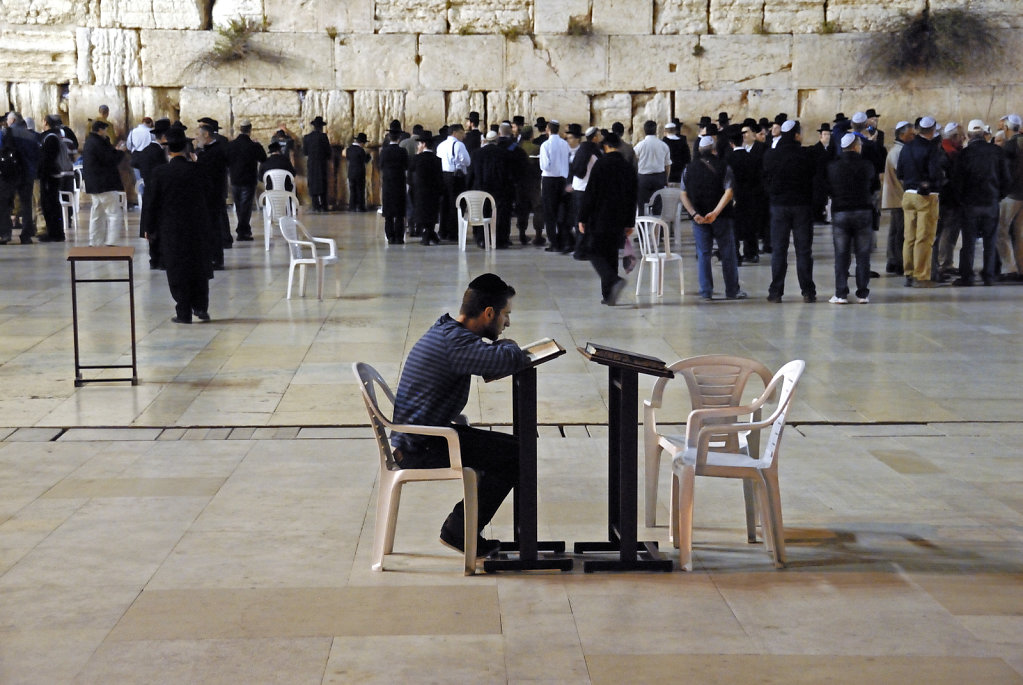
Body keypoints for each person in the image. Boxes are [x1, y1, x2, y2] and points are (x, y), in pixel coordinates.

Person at [390, 273, 528, 558]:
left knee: (512, 449)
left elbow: (491, 363)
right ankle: (459, 530)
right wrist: (510, 344)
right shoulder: (457, 343)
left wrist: (502, 347)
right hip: (421, 445)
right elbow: (505, 360)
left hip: (421, 436)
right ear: (489, 313)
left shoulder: (449, 332)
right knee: (520, 454)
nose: (507, 323)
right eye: (505, 315)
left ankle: (463, 528)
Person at [141, 127, 214, 324]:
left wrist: (148, 227)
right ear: (186, 148)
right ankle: (201, 307)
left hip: (171, 228)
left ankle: (183, 312)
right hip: (198, 226)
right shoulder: (199, 170)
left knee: (177, 267)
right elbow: (211, 196)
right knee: (198, 265)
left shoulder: (160, 172)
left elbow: (151, 202)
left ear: (168, 150)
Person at [681, 136, 745, 301]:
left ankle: (706, 291)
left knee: (703, 254)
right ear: (714, 150)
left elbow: (683, 194)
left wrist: (694, 214)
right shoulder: (724, 167)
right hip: (722, 216)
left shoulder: (688, 168)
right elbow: (729, 192)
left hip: (699, 218)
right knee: (728, 252)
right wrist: (715, 213)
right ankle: (732, 290)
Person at [577, 132, 637, 305]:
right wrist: (629, 222)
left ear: (606, 146)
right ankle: (609, 296)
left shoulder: (601, 165)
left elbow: (591, 194)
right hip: (619, 218)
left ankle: (613, 280)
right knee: (610, 254)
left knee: (593, 251)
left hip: (600, 217)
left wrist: (582, 217)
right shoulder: (627, 166)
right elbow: (633, 196)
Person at [950, 120, 1011, 286]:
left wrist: (962, 200)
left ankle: (967, 276)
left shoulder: (964, 154)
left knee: (969, 242)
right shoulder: (997, 152)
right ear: (985, 134)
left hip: (970, 204)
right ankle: (989, 276)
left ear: (969, 136)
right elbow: (1006, 179)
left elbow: (956, 182)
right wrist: (997, 196)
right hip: (991, 202)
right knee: (990, 242)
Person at [821, 133, 880, 304]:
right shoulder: (867, 165)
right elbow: (875, 186)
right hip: (863, 212)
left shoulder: (832, 167)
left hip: (841, 213)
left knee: (841, 255)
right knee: (863, 255)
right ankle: (862, 294)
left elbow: (827, 188)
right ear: (855, 146)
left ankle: (840, 293)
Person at [763, 119, 818, 302]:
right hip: (802, 206)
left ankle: (775, 292)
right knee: (803, 250)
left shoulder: (770, 155)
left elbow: (765, 180)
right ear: (796, 135)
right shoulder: (806, 155)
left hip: (778, 207)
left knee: (779, 250)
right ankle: (808, 291)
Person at [896, 116, 946, 287]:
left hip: (908, 195)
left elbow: (900, 172)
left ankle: (909, 273)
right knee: (924, 238)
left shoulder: (907, 147)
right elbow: (934, 173)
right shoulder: (931, 149)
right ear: (932, 131)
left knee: (909, 237)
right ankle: (921, 276)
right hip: (926, 196)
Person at [82, 120, 126, 246]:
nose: (106, 132)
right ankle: (112, 241)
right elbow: (110, 160)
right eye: (105, 129)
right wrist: (121, 151)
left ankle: (94, 241)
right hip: (105, 183)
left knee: (97, 213)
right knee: (114, 213)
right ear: (100, 130)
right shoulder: (99, 143)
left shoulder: (90, 142)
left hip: (94, 184)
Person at [882, 121, 915, 275]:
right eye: (911, 135)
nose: (914, 137)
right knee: (900, 231)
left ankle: (893, 260)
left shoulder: (900, 150)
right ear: (902, 136)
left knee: (895, 230)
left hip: (897, 197)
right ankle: (898, 261)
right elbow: (901, 175)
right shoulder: (899, 152)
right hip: (900, 197)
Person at [225, 119, 266, 241]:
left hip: (235, 179)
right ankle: (243, 231)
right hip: (248, 180)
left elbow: (226, 161)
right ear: (250, 129)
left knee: (239, 205)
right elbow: (263, 158)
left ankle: (243, 230)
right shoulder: (253, 146)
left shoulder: (231, 145)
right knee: (246, 206)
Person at [37, 114, 75, 242]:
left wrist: (43, 173)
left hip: (50, 176)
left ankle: (55, 233)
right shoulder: (57, 135)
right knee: (52, 204)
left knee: (50, 204)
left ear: (46, 122)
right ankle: (54, 231)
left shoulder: (50, 138)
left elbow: (48, 159)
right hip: (53, 174)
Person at [5, 112, 40, 244]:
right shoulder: (31, 135)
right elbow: (37, 155)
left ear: (12, 120)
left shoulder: (7, 132)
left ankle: (6, 233)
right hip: (28, 173)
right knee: (27, 205)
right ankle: (26, 234)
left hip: (11, 173)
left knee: (7, 203)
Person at [996, 114, 1023, 281]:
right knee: (1020, 233)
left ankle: (1009, 269)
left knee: (1001, 231)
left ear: (1006, 128)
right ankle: (1021, 267)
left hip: (1011, 195)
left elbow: (1004, 173)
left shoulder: (1010, 146)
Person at [539, 120, 571, 252]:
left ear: (548, 129)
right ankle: (563, 240)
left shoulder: (545, 145)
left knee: (549, 212)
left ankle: (554, 242)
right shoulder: (565, 144)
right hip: (563, 179)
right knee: (561, 211)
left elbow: (544, 165)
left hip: (549, 180)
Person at [409, 131, 443, 245]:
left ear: (423, 144)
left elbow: (411, 170)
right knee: (432, 212)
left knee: (422, 212)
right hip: (433, 191)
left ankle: (426, 234)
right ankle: (431, 233)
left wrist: (418, 153)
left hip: (420, 190)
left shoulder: (417, 158)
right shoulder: (437, 160)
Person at [436, 124, 470, 239]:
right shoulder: (459, 145)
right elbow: (467, 161)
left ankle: (442, 231)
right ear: (455, 133)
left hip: (443, 176)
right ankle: (453, 232)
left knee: (444, 204)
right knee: (456, 205)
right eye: (462, 132)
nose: (464, 135)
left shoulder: (441, 145)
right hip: (456, 177)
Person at [378, 126, 409, 244]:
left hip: (387, 183)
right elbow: (407, 166)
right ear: (399, 137)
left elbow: (380, 165)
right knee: (400, 212)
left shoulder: (384, 151)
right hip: (400, 183)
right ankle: (399, 237)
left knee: (389, 212)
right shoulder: (402, 151)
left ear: (389, 137)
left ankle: (390, 236)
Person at [633, 120, 671, 215]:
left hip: (643, 178)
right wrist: (666, 179)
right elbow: (667, 165)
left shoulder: (640, 145)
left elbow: (634, 161)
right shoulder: (663, 145)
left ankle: (643, 228)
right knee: (658, 205)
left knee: (641, 205)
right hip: (659, 177)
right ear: (656, 130)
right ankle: (657, 229)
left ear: (644, 130)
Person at [303, 116, 331, 211]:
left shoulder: (306, 138)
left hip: (311, 163)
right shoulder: (324, 137)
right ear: (321, 127)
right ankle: (324, 205)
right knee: (322, 183)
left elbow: (305, 152)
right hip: (322, 163)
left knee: (313, 183)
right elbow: (328, 152)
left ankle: (315, 206)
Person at [344, 132, 370, 211]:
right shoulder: (361, 150)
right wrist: (369, 155)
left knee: (352, 190)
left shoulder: (349, 149)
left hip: (351, 172)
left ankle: (352, 206)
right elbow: (365, 160)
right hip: (359, 173)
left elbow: (348, 158)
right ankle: (360, 207)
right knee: (360, 190)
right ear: (362, 142)